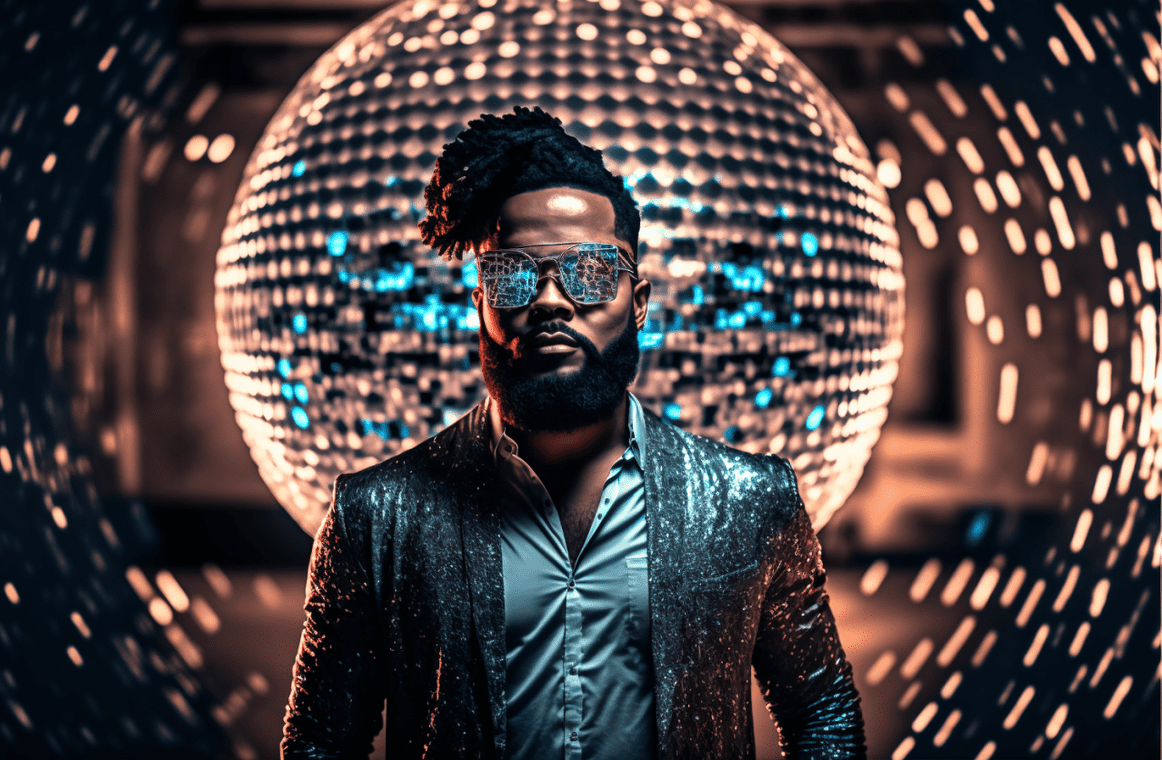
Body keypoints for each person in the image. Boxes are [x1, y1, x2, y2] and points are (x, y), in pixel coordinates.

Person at [281, 106, 866, 759]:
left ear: (637, 302)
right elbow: (319, 742)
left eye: (590, 271)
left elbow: (825, 716)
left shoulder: (751, 503)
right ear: (479, 301)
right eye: (511, 273)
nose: (552, 300)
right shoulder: (377, 517)